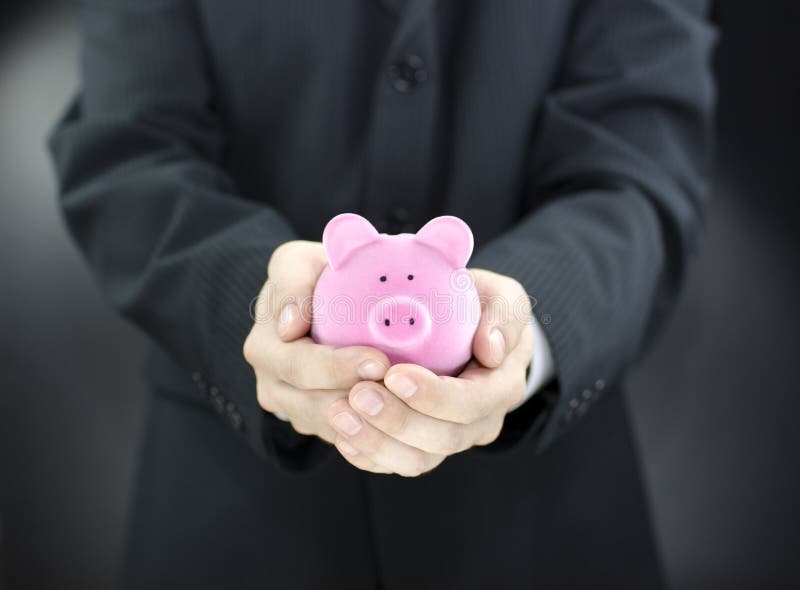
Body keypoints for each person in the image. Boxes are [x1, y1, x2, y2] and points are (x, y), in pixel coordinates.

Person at [48, 0, 716, 588]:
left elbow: (639, 168)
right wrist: (260, 302)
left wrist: (519, 329)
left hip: (543, 525)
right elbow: (129, 153)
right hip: (235, 516)